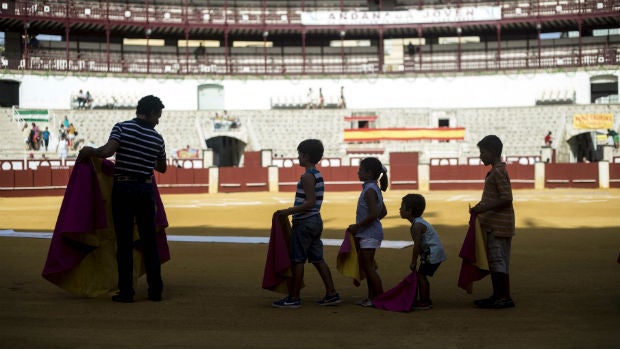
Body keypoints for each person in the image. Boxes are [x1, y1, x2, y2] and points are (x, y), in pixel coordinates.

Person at [77, 95, 167, 303]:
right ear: (151, 112)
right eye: (158, 116)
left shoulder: (122, 128)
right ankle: (155, 291)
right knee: (149, 241)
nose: (158, 121)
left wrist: (90, 151)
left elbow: (107, 152)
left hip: (124, 188)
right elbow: (162, 168)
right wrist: (146, 155)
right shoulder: (157, 138)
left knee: (124, 241)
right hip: (145, 191)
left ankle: (127, 292)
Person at [272, 139, 340, 308]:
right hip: (315, 221)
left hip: (305, 223)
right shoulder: (317, 174)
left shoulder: (307, 176)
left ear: (306, 156)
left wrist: (288, 211)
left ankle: (294, 297)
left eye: (300, 154)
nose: (298, 157)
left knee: (297, 260)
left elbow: (309, 202)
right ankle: (331, 293)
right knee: (317, 259)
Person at [470, 135, 516, 309]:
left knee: (498, 261)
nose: (481, 156)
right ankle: (499, 295)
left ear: (493, 152)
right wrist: (477, 208)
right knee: (497, 261)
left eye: (483, 152)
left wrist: (481, 209)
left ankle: (503, 298)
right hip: (496, 224)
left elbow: (507, 198)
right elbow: (494, 198)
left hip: (499, 225)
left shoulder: (498, 171)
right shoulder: (497, 170)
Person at [347, 157, 388, 307]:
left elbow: (373, 215)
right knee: (367, 266)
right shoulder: (373, 188)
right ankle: (372, 297)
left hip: (368, 234)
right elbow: (382, 212)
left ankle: (380, 298)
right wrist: (373, 224)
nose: (358, 172)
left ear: (369, 173)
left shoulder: (370, 190)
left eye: (360, 170)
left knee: (368, 268)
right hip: (370, 232)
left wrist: (358, 226)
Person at [399, 194, 447, 310]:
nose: (399, 209)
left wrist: (413, 262)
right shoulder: (419, 222)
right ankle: (424, 299)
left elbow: (417, 246)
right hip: (432, 252)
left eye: (402, 207)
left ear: (409, 211)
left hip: (432, 253)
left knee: (421, 275)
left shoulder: (417, 226)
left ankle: (425, 301)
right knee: (422, 275)